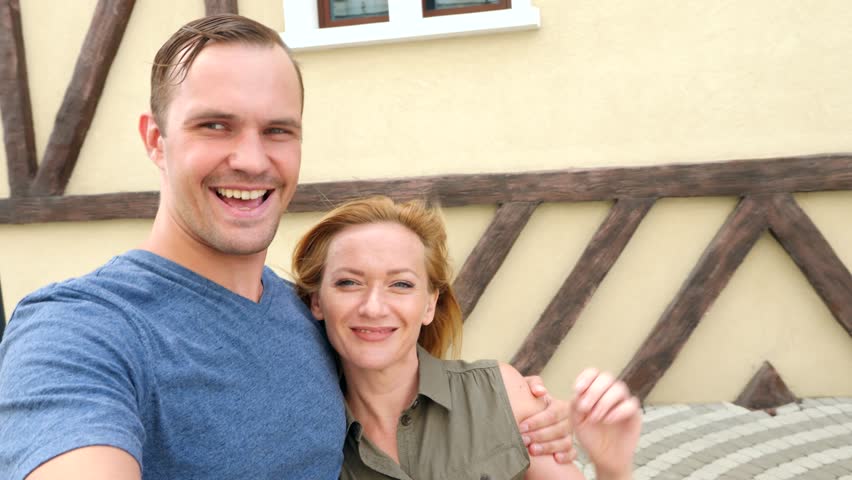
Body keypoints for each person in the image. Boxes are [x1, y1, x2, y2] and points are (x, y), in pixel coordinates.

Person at [0, 14, 578, 480]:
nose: (252, 159)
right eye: (215, 126)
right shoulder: (80, 328)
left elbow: (399, 390)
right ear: (157, 139)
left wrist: (521, 413)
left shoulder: (307, 317)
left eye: (277, 130)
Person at [292, 196, 642, 480]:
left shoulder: (501, 394)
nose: (373, 307)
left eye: (401, 284)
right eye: (348, 282)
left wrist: (612, 468)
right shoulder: (297, 431)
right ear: (317, 301)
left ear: (429, 304)